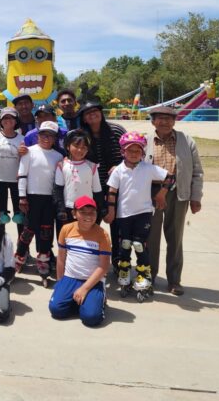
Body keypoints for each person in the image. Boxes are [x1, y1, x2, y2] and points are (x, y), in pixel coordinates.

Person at [145, 105, 204, 296]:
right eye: (160, 118)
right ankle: (149, 277)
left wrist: (196, 197)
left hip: (178, 193)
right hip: (150, 193)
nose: (164, 122)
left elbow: (197, 171)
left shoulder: (186, 141)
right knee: (150, 238)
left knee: (175, 238)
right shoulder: (145, 141)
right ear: (153, 121)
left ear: (175, 121)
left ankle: (174, 280)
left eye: (169, 118)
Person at [106, 132, 170, 297]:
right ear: (123, 152)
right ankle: (124, 272)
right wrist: (111, 212)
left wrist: (162, 193)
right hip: (123, 214)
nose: (134, 154)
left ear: (143, 153)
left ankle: (143, 275)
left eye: (137, 151)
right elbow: (112, 192)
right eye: (130, 150)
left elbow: (170, 177)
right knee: (125, 244)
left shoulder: (148, 168)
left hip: (143, 213)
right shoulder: (118, 170)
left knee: (139, 245)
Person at [49, 196, 111, 327]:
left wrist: (84, 288)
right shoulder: (66, 230)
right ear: (74, 213)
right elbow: (61, 258)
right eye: (83, 212)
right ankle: (83, 304)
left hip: (92, 281)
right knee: (56, 310)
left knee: (91, 318)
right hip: (70, 278)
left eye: (92, 212)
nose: (88, 216)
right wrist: (60, 282)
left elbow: (103, 266)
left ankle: (97, 301)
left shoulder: (102, 235)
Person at [15, 121, 63, 281]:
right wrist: (22, 197)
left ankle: (43, 260)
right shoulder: (29, 152)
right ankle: (19, 256)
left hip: (49, 199)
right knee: (28, 230)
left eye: (50, 136)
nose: (46, 139)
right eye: (43, 135)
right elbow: (22, 174)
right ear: (38, 136)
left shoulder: (58, 156)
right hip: (32, 197)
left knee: (46, 231)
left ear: (55, 138)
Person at [79, 101, 125, 263]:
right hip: (91, 189)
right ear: (83, 118)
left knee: (118, 226)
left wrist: (119, 167)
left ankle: (120, 262)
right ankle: (88, 260)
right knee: (90, 223)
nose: (92, 114)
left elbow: (131, 153)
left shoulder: (116, 131)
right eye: (87, 112)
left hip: (117, 186)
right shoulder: (82, 135)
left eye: (95, 110)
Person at [54, 129, 103, 233]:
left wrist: (101, 208)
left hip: (87, 209)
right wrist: (61, 209)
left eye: (84, 147)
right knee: (66, 238)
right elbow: (58, 189)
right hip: (68, 208)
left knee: (86, 238)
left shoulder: (92, 166)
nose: (80, 150)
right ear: (67, 146)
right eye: (76, 146)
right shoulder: (61, 165)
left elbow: (97, 190)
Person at [0, 107, 24, 225]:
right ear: (0, 121)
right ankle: (0, 241)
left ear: (16, 121)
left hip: (16, 179)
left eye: (11, 117)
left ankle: (21, 242)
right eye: (5, 118)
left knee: (19, 215)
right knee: (0, 216)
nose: (8, 120)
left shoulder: (23, 139)